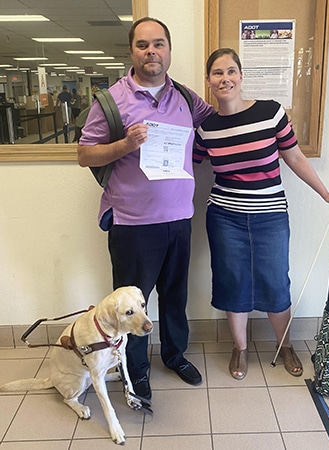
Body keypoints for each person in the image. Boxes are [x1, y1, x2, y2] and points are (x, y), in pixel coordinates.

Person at [77, 17, 214, 400]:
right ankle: (135, 371)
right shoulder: (111, 100)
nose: (151, 51)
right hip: (133, 225)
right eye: (143, 45)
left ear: (168, 49)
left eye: (158, 44)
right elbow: (85, 154)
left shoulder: (186, 98)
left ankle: (174, 355)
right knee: (131, 307)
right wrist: (124, 145)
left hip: (179, 218)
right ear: (132, 51)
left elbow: (217, 121)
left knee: (174, 294)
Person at [194, 48, 329, 380]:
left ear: (241, 76)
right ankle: (240, 348)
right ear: (208, 82)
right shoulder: (205, 128)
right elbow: (185, 168)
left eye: (231, 71)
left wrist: (325, 193)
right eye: (217, 73)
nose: (225, 78)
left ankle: (285, 345)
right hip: (225, 217)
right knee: (232, 282)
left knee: (275, 281)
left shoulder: (271, 113)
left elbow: (294, 158)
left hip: (270, 215)